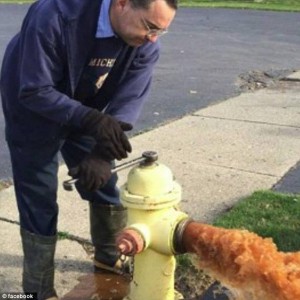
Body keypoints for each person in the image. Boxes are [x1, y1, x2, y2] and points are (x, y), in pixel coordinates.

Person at [0, 0, 177, 298]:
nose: (153, 38)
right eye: (149, 26)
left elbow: (127, 102)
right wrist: (91, 118)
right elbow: (34, 89)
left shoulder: (146, 44)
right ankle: (38, 291)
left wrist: (102, 154)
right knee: (39, 200)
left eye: (161, 31)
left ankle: (110, 255)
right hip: (32, 107)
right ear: (122, 3)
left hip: (85, 105)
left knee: (105, 183)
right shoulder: (55, 14)